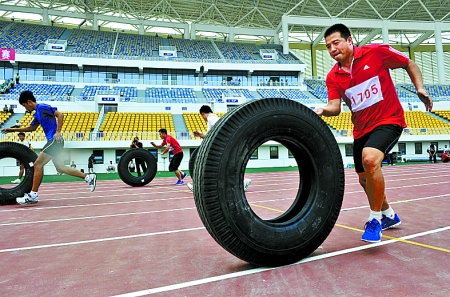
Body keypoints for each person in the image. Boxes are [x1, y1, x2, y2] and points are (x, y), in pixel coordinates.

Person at [315, 23, 432, 243]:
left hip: (389, 120)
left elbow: (409, 63)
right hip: (360, 130)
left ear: (350, 41)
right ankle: (389, 214)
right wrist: (323, 109)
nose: (332, 49)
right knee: (363, 180)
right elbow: (335, 106)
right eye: (328, 46)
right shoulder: (333, 77)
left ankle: (375, 219)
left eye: (336, 42)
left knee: (370, 160)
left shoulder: (376, 53)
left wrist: (420, 88)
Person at [1, 91, 97, 205]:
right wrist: (12, 130)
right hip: (55, 142)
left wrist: (58, 131)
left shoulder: (42, 107)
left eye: (24, 105)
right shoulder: (37, 114)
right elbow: (31, 128)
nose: (25, 108)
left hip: (54, 140)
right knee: (60, 168)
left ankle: (33, 195)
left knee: (37, 164)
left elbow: (60, 115)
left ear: (29, 102)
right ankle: (88, 177)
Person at [188, 105, 252, 192]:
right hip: (224, 147)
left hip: (222, 148)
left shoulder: (211, 118)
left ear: (203, 113)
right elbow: (210, 136)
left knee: (210, 168)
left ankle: (198, 187)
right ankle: (243, 183)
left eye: (202, 116)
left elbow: (221, 130)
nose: (203, 119)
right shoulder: (213, 119)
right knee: (222, 170)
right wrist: (200, 135)